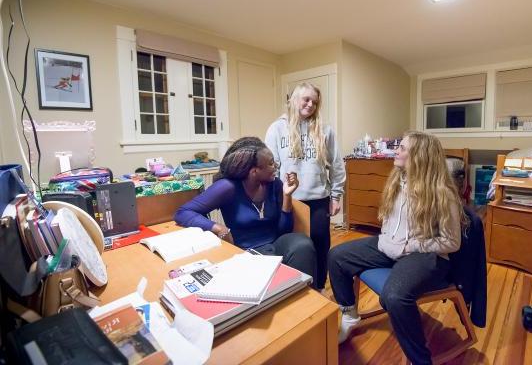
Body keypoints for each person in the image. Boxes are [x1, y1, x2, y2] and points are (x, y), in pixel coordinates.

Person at [328, 131, 463, 365]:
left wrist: (412, 245)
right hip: (390, 247)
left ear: (419, 157)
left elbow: (452, 242)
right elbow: (390, 222)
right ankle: (349, 315)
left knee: (394, 296)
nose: (396, 151)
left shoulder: (442, 193)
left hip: (424, 254)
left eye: (401, 148)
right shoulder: (397, 180)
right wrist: (388, 240)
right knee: (337, 256)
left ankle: (421, 360)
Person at [174, 137, 316, 279]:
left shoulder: (275, 184)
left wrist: (287, 196)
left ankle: (309, 296)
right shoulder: (226, 187)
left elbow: (284, 230)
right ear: (254, 171)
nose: (276, 166)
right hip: (246, 252)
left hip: (275, 245)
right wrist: (218, 227)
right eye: (271, 163)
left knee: (302, 244)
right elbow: (183, 212)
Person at [265, 82, 345, 292]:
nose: (310, 105)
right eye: (306, 99)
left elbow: (336, 164)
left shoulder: (325, 130)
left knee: (320, 246)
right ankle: (291, 288)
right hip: (289, 200)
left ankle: (318, 288)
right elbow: (270, 166)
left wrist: (336, 196)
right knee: (292, 246)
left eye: (315, 102)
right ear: (294, 100)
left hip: (318, 198)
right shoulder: (277, 128)